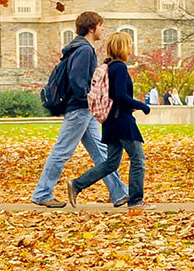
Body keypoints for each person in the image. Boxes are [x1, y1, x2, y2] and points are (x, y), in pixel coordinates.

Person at [29, 11, 127, 208]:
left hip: (84, 109)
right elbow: (77, 79)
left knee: (100, 151)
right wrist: (88, 99)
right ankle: (42, 193)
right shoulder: (84, 50)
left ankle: (120, 193)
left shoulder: (80, 48)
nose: (103, 29)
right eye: (100, 25)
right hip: (80, 108)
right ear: (91, 28)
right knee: (63, 150)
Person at [70, 32, 153, 209]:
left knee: (111, 163)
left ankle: (77, 184)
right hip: (122, 121)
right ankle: (136, 201)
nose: (131, 48)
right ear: (123, 47)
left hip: (109, 122)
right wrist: (142, 106)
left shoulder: (108, 66)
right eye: (129, 45)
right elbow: (120, 96)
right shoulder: (120, 68)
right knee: (138, 159)